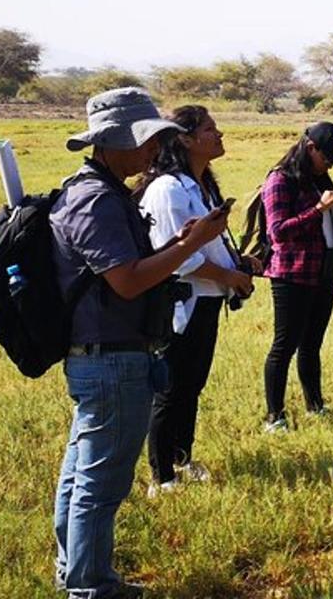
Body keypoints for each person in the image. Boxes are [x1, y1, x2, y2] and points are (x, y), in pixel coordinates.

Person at [50, 88, 228, 599]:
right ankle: (91, 587)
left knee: (83, 476)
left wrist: (179, 243)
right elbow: (127, 281)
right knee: (99, 487)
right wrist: (190, 247)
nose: (152, 150)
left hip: (108, 354)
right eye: (143, 141)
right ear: (111, 143)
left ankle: (77, 575)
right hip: (110, 358)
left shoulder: (100, 190)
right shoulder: (97, 199)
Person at [134, 106, 257, 497]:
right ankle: (161, 475)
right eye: (210, 129)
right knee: (169, 389)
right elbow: (179, 256)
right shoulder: (168, 189)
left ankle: (182, 458)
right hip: (179, 303)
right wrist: (229, 276)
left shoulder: (201, 185)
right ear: (184, 138)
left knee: (191, 386)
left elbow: (209, 243)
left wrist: (238, 263)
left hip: (205, 300)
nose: (219, 134)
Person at [260, 121, 333, 432]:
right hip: (291, 274)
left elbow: (327, 225)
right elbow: (279, 233)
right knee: (284, 345)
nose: (328, 164)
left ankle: (315, 405)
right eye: (325, 157)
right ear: (310, 147)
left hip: (323, 271)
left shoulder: (318, 178)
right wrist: (318, 208)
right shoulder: (280, 180)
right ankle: (275, 416)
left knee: (312, 344)